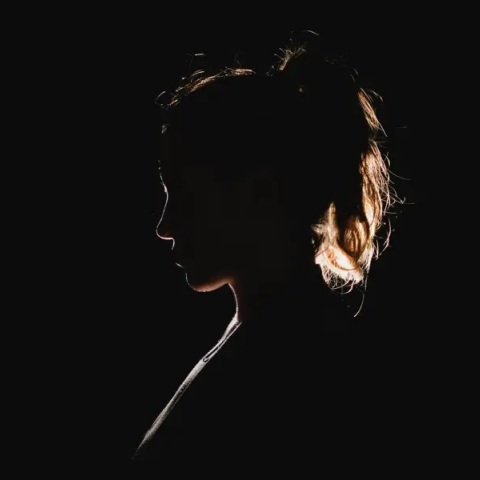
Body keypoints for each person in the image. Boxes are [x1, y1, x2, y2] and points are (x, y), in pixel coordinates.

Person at [133, 32, 395, 465]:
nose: (165, 226)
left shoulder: (295, 363)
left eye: (184, 195)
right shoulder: (269, 336)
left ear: (259, 191)